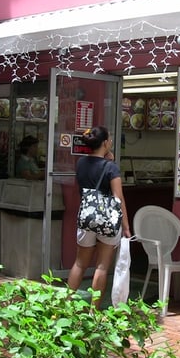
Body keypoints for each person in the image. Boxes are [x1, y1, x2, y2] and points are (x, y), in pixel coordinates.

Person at [67, 126, 131, 308]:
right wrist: (126, 226)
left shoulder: (80, 163)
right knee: (102, 266)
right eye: (109, 139)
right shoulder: (111, 168)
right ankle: (94, 311)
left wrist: (107, 156)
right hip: (108, 221)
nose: (111, 142)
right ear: (105, 143)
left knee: (79, 264)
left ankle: (63, 304)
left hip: (86, 218)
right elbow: (119, 199)